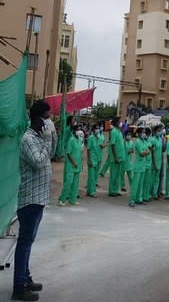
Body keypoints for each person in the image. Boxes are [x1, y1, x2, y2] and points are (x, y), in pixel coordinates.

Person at [12, 100, 54, 301]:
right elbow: (38, 162)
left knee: (28, 242)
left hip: (38, 199)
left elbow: (51, 155)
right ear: (37, 118)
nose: (48, 121)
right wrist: (46, 141)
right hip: (29, 199)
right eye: (46, 117)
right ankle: (19, 287)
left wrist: (51, 138)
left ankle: (25, 278)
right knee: (24, 243)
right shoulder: (28, 139)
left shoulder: (39, 136)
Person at [58, 125, 83, 206]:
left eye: (80, 129)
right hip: (71, 165)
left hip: (78, 164)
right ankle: (62, 199)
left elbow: (80, 153)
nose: (79, 131)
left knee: (75, 184)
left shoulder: (80, 140)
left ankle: (73, 199)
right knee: (69, 182)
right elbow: (68, 153)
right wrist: (73, 162)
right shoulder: (71, 140)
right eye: (77, 129)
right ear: (73, 131)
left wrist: (79, 164)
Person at [129, 130, 149, 208]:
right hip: (138, 165)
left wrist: (146, 152)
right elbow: (142, 153)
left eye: (144, 132)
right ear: (139, 133)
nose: (144, 134)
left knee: (140, 184)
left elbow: (147, 151)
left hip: (143, 165)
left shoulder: (144, 141)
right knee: (135, 184)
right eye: (142, 132)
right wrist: (146, 152)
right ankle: (132, 200)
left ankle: (139, 199)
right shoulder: (137, 142)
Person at [108, 118, 125, 197]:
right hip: (115, 158)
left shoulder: (119, 132)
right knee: (113, 175)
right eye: (119, 122)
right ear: (116, 123)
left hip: (120, 157)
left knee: (118, 175)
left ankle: (116, 190)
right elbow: (113, 145)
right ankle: (111, 191)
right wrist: (116, 157)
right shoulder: (114, 131)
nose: (121, 123)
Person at [86, 124, 102, 198]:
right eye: (96, 128)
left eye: (98, 128)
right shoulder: (91, 138)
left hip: (97, 159)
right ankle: (92, 192)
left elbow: (99, 148)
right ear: (93, 130)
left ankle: (89, 191)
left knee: (94, 176)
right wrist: (89, 160)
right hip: (92, 159)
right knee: (92, 177)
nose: (97, 130)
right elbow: (88, 149)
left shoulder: (98, 138)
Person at [150, 126, 162, 200]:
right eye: (158, 131)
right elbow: (151, 152)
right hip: (153, 162)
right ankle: (149, 193)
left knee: (157, 179)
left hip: (159, 162)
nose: (159, 132)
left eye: (160, 131)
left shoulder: (160, 139)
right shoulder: (153, 140)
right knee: (152, 179)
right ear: (155, 132)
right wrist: (154, 163)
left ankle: (154, 194)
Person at [142, 127, 153, 202]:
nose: (144, 135)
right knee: (143, 181)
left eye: (145, 133)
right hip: (144, 163)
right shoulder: (143, 141)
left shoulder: (149, 140)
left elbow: (151, 148)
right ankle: (142, 196)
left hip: (148, 163)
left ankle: (146, 196)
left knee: (147, 181)